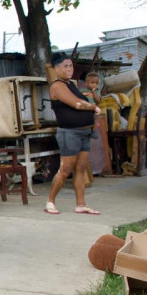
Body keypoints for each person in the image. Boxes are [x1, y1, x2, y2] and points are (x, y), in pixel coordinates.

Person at [45, 53, 101, 215]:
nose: (69, 69)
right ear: (56, 69)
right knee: (65, 169)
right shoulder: (57, 86)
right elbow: (76, 104)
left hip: (84, 132)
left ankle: (81, 204)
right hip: (69, 133)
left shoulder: (71, 84)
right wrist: (93, 108)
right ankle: (50, 202)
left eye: (71, 66)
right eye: (65, 66)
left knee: (81, 169)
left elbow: (83, 100)